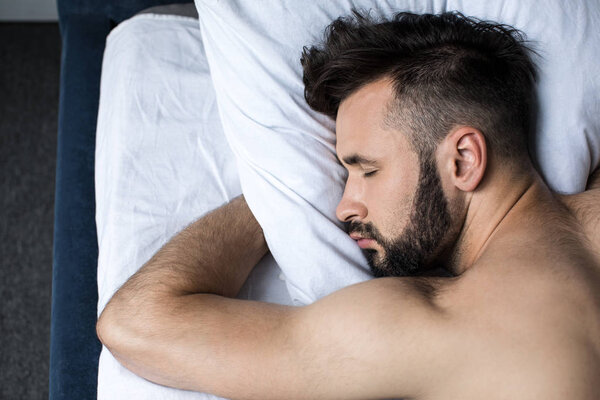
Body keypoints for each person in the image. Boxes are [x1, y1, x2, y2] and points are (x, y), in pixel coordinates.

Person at [96, 11, 600, 399]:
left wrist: (280, 189)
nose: (342, 206)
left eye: (367, 170)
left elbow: (135, 324)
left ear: (463, 159)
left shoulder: (423, 327)